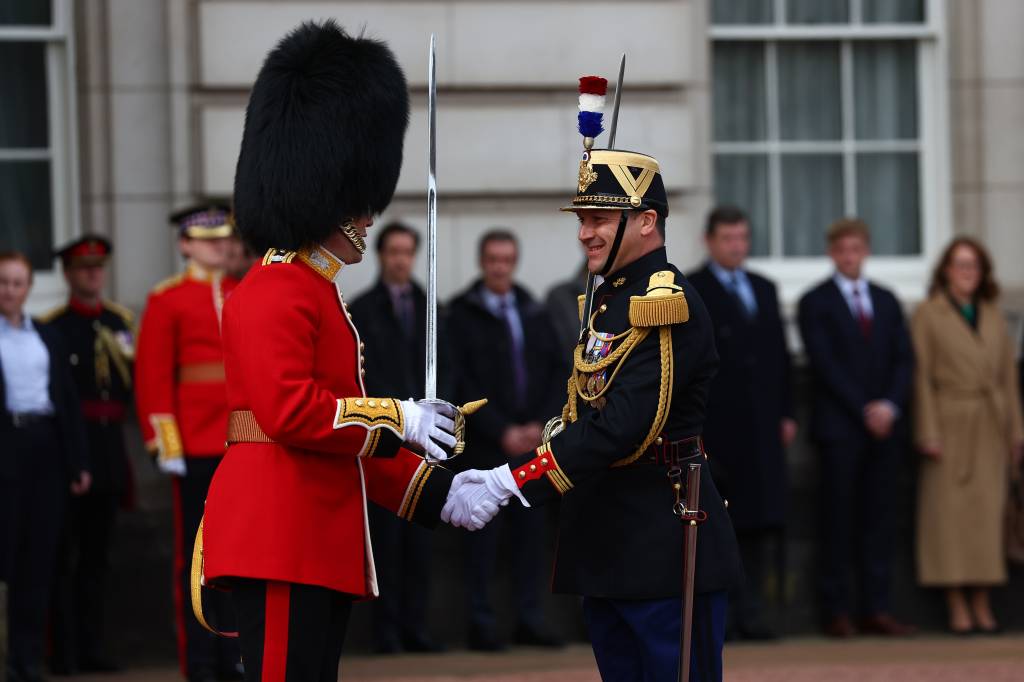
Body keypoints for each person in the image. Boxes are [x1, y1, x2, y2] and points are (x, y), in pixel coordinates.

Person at [200, 21, 464, 682]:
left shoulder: (316, 293)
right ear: (330, 199)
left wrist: (444, 494)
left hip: (312, 538)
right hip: (279, 535)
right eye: (362, 204)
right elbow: (291, 414)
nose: (370, 217)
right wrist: (399, 417)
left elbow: (345, 446)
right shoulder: (275, 288)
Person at [443, 144, 741, 680]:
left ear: (647, 221)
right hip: (608, 538)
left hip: (662, 540)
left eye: (600, 219)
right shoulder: (610, 297)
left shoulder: (663, 301)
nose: (585, 232)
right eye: (583, 219)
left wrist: (511, 480)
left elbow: (623, 426)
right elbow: (582, 412)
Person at [134, 203, 241, 682]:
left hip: (241, 447)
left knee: (240, 561)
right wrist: (167, 443)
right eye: (208, 238)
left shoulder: (243, 293)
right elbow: (154, 377)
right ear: (185, 244)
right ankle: (199, 665)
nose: (220, 244)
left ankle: (234, 659)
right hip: (195, 449)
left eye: (224, 235)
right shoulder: (168, 300)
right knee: (196, 562)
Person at [447, 230, 565, 651]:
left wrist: (539, 425)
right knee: (482, 540)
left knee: (531, 539)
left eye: (507, 259)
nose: (500, 267)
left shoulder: (532, 310)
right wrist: (501, 430)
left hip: (533, 447)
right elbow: (459, 380)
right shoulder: (461, 313)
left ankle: (530, 618)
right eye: (493, 259)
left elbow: (557, 369)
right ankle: (481, 622)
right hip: (486, 447)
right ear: (482, 261)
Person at [797, 218, 915, 638]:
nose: (850, 256)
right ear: (832, 253)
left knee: (879, 520)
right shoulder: (816, 302)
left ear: (866, 251)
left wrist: (889, 406)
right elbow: (824, 364)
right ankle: (836, 610)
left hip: (885, 431)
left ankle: (876, 607)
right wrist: (864, 408)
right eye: (842, 249)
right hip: (840, 430)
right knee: (837, 521)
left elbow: (904, 359)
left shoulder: (886, 300)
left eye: (857, 249)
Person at [687, 206, 794, 640]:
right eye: (728, 238)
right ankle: (722, 618)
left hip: (763, 425)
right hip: (717, 428)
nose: (736, 247)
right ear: (710, 240)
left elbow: (780, 357)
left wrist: (787, 412)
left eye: (742, 238)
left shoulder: (764, 288)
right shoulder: (693, 288)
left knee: (759, 523)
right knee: (717, 526)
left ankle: (752, 614)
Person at [911, 237, 1024, 634]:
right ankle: (955, 601)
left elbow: (1008, 378)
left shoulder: (993, 315)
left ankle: (982, 598)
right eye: (960, 265)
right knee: (949, 517)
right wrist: (928, 431)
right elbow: (920, 375)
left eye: (974, 266)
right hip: (950, 421)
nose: (967, 273)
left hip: (991, 425)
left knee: (988, 515)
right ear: (945, 270)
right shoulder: (929, 314)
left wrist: (1017, 431)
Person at [349, 222, 443, 654]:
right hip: (385, 440)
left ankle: (417, 626)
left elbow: (450, 367)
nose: (401, 260)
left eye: (408, 252)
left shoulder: (431, 308)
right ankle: (385, 631)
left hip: (427, 444)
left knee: (421, 546)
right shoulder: (361, 311)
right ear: (382, 255)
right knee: (385, 543)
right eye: (393, 252)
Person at [42, 236, 134, 674]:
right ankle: (64, 651)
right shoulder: (54, 326)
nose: (93, 275)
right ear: (67, 274)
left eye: (98, 267)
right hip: (68, 453)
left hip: (110, 450)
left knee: (99, 557)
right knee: (65, 555)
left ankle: (93, 647)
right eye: (83, 268)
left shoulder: (119, 322)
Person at [0, 251, 90, 682]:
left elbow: (67, 402)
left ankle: (28, 660)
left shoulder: (46, 334)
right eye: (3, 282)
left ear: (28, 288)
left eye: (18, 283)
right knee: (9, 556)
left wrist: (78, 463)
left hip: (46, 449)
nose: (10, 291)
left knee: (40, 560)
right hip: (6, 448)